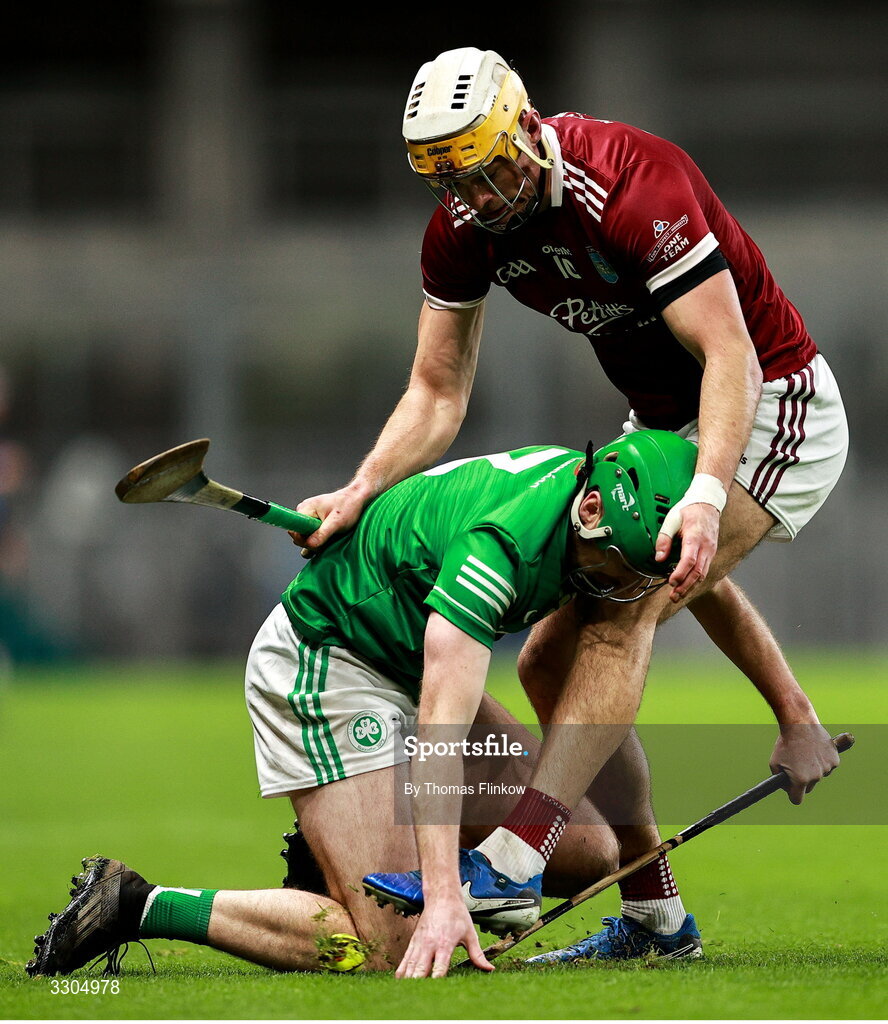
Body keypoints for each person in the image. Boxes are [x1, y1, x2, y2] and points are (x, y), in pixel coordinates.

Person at [288, 48, 849, 974]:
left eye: (491, 165)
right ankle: (656, 918)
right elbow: (435, 391)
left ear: (524, 125)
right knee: (552, 659)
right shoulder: (465, 229)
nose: (483, 195)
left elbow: (732, 357)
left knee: (616, 614)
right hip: (666, 423)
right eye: (457, 182)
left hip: (769, 402)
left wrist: (707, 492)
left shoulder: (634, 184)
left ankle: (512, 859)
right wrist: (362, 488)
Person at [28, 432, 708, 979]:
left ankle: (351, 853)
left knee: (592, 851)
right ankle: (139, 903)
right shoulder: (500, 549)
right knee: (389, 947)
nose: (619, 591)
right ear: (591, 510)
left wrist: (790, 710)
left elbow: (708, 585)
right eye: (617, 571)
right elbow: (440, 726)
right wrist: (443, 896)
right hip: (329, 667)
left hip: (406, 662)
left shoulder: (600, 507)